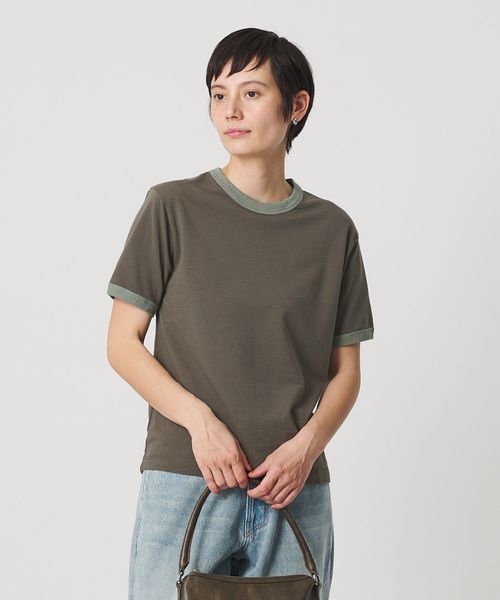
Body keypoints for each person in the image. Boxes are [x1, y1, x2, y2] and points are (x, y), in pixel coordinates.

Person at [106, 27, 374, 600]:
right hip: (186, 478)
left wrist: (306, 450)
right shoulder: (171, 207)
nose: (230, 110)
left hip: (293, 488)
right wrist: (200, 424)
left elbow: (346, 371)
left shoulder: (332, 230)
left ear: (296, 106)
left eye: (251, 93)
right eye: (218, 94)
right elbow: (122, 344)